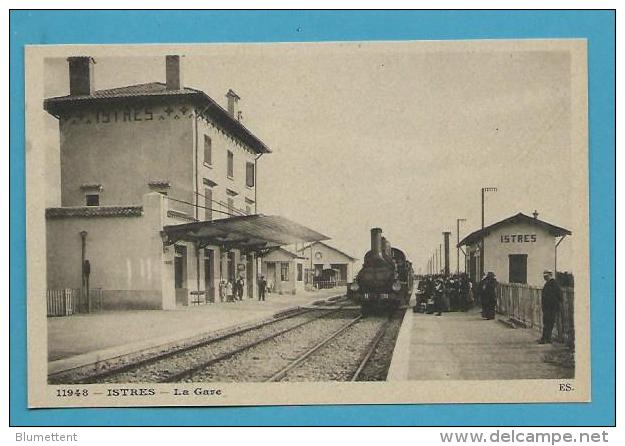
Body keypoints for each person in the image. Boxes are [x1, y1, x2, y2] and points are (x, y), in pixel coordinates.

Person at [539, 270, 562, 344]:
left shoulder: (554, 284)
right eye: (544, 276)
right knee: (547, 323)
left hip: (551, 307)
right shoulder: (548, 284)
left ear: (550, 276)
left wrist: (555, 304)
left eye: (546, 276)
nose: (544, 278)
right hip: (548, 307)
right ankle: (547, 338)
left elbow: (560, 296)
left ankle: (545, 339)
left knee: (548, 323)